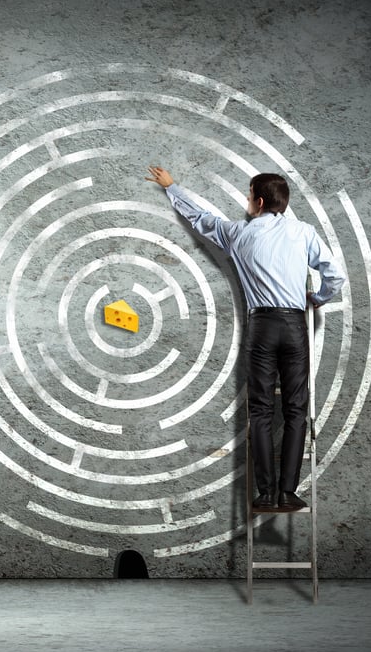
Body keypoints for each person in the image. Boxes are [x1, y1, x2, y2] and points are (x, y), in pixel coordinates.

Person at [144, 166, 346, 510]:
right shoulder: (304, 233)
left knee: (262, 410)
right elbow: (335, 276)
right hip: (295, 325)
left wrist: (172, 187)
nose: (247, 201)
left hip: (262, 327)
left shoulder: (239, 233)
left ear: (260, 200)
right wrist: (318, 298)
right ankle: (288, 492)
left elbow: (202, 219)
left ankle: (265, 494)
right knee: (296, 409)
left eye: (249, 195)